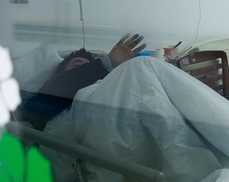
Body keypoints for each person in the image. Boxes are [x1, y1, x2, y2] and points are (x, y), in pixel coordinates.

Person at [17, 33, 146, 130]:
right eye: (76, 65)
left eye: (85, 66)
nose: (82, 68)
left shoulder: (103, 87)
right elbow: (36, 109)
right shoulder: (47, 92)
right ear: (61, 72)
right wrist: (103, 65)